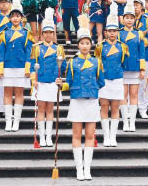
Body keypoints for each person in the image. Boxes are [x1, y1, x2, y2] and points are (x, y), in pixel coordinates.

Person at [56, 15, 105, 181]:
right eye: (82, 43)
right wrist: (60, 84)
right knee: (76, 135)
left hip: (91, 101)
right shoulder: (71, 62)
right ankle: (79, 168)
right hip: (76, 101)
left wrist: (90, 89)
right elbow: (68, 82)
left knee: (90, 135)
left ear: (91, 45)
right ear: (78, 45)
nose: (85, 46)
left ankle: (87, 168)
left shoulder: (97, 62)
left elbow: (101, 82)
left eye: (87, 43)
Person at [0, 0, 33, 132]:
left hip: (21, 67)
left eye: (18, 16)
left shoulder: (26, 33)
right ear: (10, 18)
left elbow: (29, 52)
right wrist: (0, 68)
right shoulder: (4, 33)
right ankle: (8, 120)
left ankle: (16, 120)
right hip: (7, 67)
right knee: (7, 93)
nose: (15, 19)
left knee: (19, 93)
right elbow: (1, 51)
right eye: (13, 16)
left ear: (22, 18)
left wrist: (27, 67)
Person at [29, 8, 65, 146]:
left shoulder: (59, 48)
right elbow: (32, 64)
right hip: (41, 82)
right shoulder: (36, 48)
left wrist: (61, 79)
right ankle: (42, 136)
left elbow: (63, 66)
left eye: (51, 32)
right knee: (41, 109)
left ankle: (49, 136)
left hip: (52, 82)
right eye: (46, 32)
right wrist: (34, 80)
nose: (48, 35)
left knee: (50, 109)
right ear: (42, 33)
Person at [95, 3, 126, 147]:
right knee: (104, 107)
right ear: (106, 32)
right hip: (104, 80)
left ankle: (113, 136)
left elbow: (123, 63)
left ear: (117, 31)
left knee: (115, 107)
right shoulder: (100, 46)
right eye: (109, 31)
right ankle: (106, 136)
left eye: (114, 30)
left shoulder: (122, 46)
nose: (112, 33)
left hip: (118, 79)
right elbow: (97, 64)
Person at [118, 0, 146, 132]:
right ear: (123, 19)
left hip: (135, 67)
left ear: (134, 19)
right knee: (123, 95)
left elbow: (142, 53)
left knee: (134, 95)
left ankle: (132, 121)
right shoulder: (118, 34)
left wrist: (142, 69)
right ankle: (125, 121)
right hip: (122, 68)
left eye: (131, 18)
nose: (129, 20)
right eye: (126, 18)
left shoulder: (139, 34)